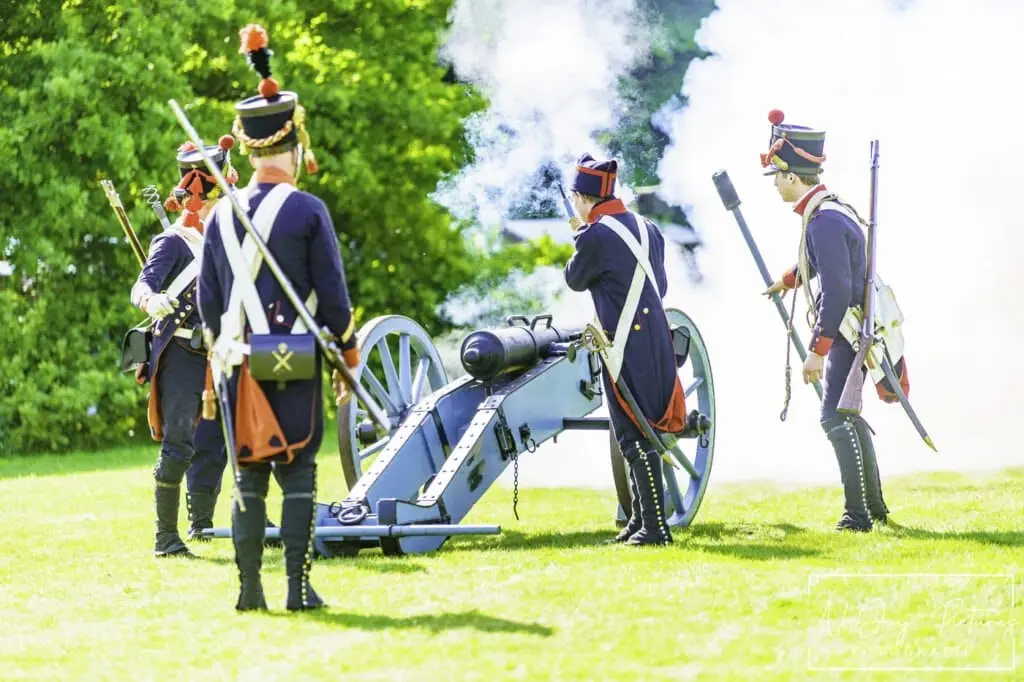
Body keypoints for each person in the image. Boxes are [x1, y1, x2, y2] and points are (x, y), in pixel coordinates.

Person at [198, 23, 359, 611]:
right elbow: (335, 301)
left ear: (249, 145)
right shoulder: (308, 210)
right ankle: (297, 589)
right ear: (293, 146)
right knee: (297, 473)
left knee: (247, 479)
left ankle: (249, 592)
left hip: (235, 364)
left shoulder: (218, 216)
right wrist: (347, 353)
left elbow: (209, 304)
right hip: (290, 359)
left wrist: (222, 351)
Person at [760, 109, 906, 532]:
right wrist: (788, 280)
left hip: (844, 330)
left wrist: (816, 353)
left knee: (836, 416)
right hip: (847, 326)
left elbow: (839, 287)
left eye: (777, 177)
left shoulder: (822, 219)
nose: (776, 186)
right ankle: (872, 508)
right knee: (846, 414)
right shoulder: (827, 212)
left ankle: (857, 515)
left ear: (792, 176)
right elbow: (825, 265)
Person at [563, 153, 688, 546]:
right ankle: (639, 521)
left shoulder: (595, 235)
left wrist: (578, 238)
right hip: (654, 338)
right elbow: (661, 287)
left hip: (624, 343)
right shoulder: (648, 228)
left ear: (584, 199)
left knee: (634, 434)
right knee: (634, 431)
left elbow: (575, 279)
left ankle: (654, 528)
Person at [130, 137, 237, 557]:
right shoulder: (173, 242)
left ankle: (212, 523)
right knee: (178, 444)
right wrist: (150, 300)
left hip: (221, 354)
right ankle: (166, 539)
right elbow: (142, 285)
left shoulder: (225, 242)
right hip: (180, 355)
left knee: (232, 438)